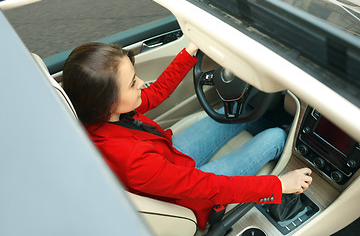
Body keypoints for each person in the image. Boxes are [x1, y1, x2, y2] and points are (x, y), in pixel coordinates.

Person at [62, 42, 312, 230]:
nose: (141, 83)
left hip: (169, 158)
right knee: (276, 137)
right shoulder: (132, 160)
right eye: (131, 83)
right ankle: (288, 139)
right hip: (186, 197)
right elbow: (210, 187)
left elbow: (157, 92)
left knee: (243, 112)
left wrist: (191, 49)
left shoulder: (98, 115)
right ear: (105, 102)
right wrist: (278, 185)